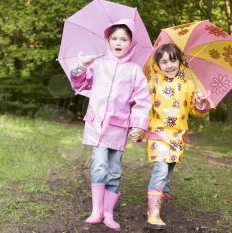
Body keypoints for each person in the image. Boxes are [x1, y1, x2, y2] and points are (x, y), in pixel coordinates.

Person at [69, 19, 151, 230]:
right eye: (114, 38)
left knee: (114, 169)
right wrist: (81, 66)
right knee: (99, 164)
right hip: (97, 124)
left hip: (118, 127)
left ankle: (108, 213)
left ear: (131, 43)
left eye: (124, 39)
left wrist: (138, 125)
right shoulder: (98, 63)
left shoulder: (135, 71)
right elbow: (79, 83)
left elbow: (142, 101)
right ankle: (96, 210)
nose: (118, 42)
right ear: (107, 40)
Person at [143, 43, 210, 229]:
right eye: (164, 61)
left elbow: (195, 112)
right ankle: (154, 214)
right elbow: (144, 108)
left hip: (177, 137)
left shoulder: (188, 85)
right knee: (161, 170)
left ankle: (155, 202)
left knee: (168, 170)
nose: (169, 65)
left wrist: (199, 103)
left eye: (173, 60)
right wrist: (140, 128)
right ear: (157, 64)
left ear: (180, 61)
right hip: (158, 134)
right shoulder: (153, 84)